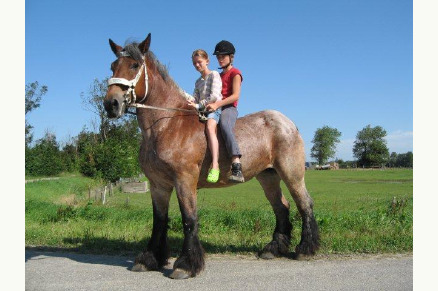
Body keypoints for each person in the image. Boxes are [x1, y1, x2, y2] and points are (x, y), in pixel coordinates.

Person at [206, 40, 244, 183]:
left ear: (231, 57)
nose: (220, 59)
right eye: (218, 56)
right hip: (215, 107)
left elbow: (235, 96)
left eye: (223, 56)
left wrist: (217, 105)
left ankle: (236, 164)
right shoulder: (217, 76)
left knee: (225, 125)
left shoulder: (235, 73)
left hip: (228, 108)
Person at [187, 49, 223, 183]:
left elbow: (214, 96)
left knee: (209, 128)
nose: (197, 65)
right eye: (194, 63)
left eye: (199, 62)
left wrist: (197, 105)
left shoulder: (214, 75)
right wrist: (190, 101)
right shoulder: (197, 82)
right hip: (202, 110)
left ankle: (215, 165)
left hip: (215, 108)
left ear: (207, 61)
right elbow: (195, 97)